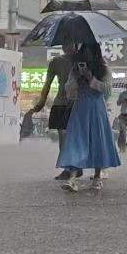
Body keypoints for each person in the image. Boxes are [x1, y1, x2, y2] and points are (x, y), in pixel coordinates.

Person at [54, 42, 122, 192]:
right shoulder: (75, 69)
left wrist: (91, 78)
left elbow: (107, 92)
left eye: (89, 54)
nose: (86, 57)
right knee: (75, 142)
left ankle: (97, 177)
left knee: (98, 142)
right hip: (80, 110)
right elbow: (69, 91)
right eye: (83, 54)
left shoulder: (104, 70)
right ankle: (72, 178)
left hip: (97, 110)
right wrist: (77, 78)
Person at [27, 42, 77, 180]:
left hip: (77, 103)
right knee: (63, 135)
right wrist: (41, 103)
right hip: (62, 102)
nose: (69, 45)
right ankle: (69, 167)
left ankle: (73, 167)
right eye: (67, 41)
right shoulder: (56, 61)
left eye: (72, 41)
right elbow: (47, 83)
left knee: (71, 136)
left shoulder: (82, 60)